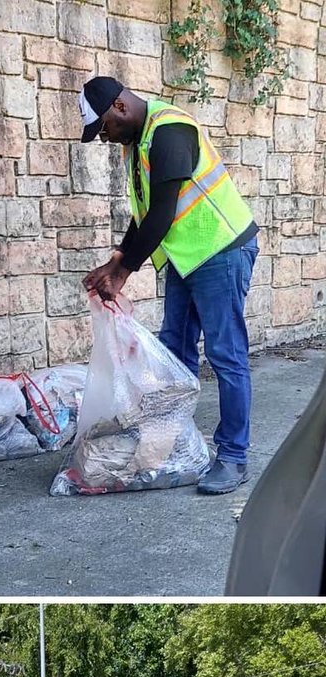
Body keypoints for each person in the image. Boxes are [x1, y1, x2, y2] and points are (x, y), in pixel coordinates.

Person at [77, 76, 260, 496]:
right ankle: (180, 444)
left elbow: (162, 213)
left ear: (120, 107)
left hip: (222, 249)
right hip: (188, 256)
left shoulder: (170, 131)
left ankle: (234, 457)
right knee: (175, 348)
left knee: (225, 354)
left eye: (103, 128)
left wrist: (124, 273)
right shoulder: (138, 141)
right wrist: (117, 260)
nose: (105, 138)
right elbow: (144, 212)